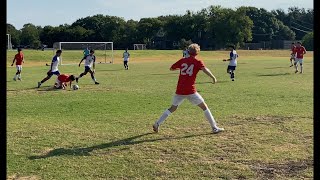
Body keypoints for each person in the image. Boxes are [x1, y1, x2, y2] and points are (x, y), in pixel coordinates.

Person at [152, 43, 224, 134]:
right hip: (190, 90)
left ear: (188, 52)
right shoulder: (198, 62)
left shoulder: (182, 61)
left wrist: (181, 69)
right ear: (197, 52)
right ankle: (214, 127)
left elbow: (171, 68)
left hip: (180, 90)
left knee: (172, 108)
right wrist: (213, 77)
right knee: (204, 107)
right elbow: (205, 69)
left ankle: (157, 123)